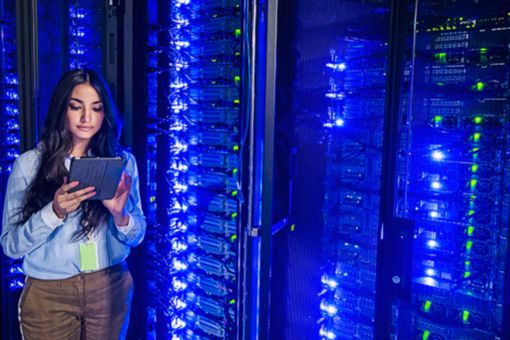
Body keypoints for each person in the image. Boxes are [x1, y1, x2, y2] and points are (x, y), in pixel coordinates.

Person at [1, 68, 146, 340]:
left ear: (105, 113)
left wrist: (120, 215)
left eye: (96, 108)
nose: (86, 118)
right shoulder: (28, 166)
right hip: (50, 294)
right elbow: (11, 246)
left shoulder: (123, 163)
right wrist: (54, 212)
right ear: (61, 109)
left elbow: (138, 236)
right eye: (75, 107)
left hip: (109, 286)